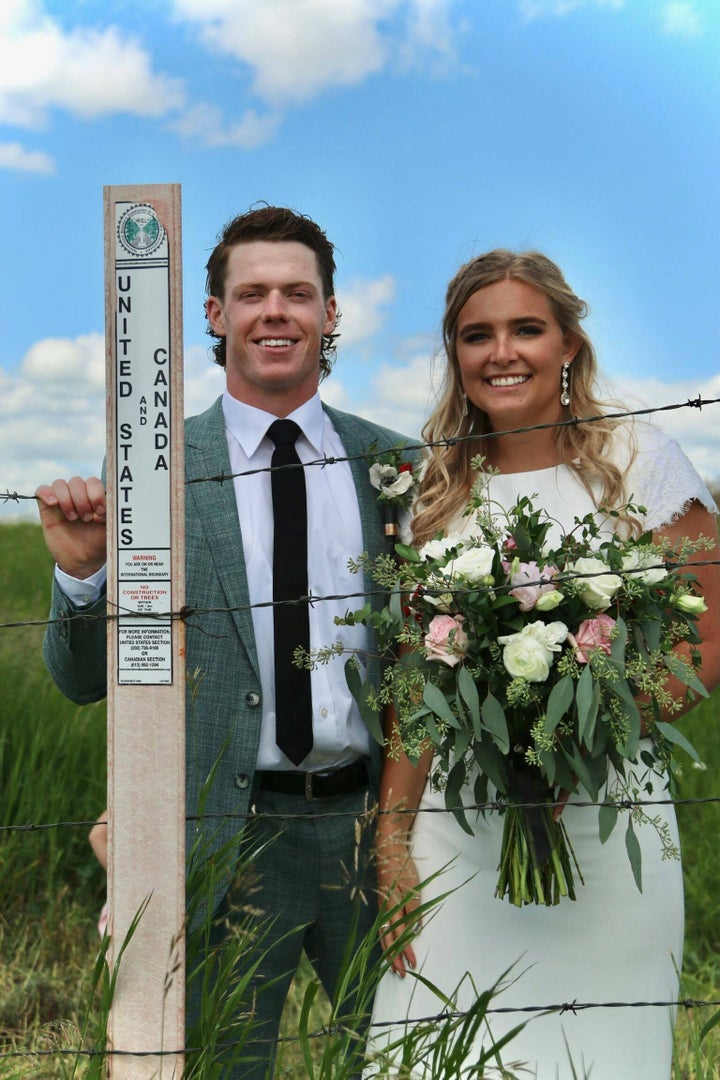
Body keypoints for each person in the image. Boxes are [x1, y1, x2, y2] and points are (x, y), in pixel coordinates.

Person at [36, 206, 414, 1078]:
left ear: (330, 313)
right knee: (221, 1067)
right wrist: (83, 578)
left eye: (297, 293)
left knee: (405, 1061)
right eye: (252, 294)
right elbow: (82, 681)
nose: (274, 310)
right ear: (214, 314)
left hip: (373, 828)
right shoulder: (154, 468)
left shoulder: (396, 466)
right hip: (225, 837)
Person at [366, 250, 720, 1079]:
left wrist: (580, 734)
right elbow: (416, 682)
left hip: (605, 818)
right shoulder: (433, 488)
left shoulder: (636, 456)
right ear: (455, 353)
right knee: (429, 1049)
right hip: (459, 833)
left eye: (527, 329)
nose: (503, 352)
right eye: (476, 334)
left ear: (568, 344)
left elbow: (701, 644)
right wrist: (390, 837)